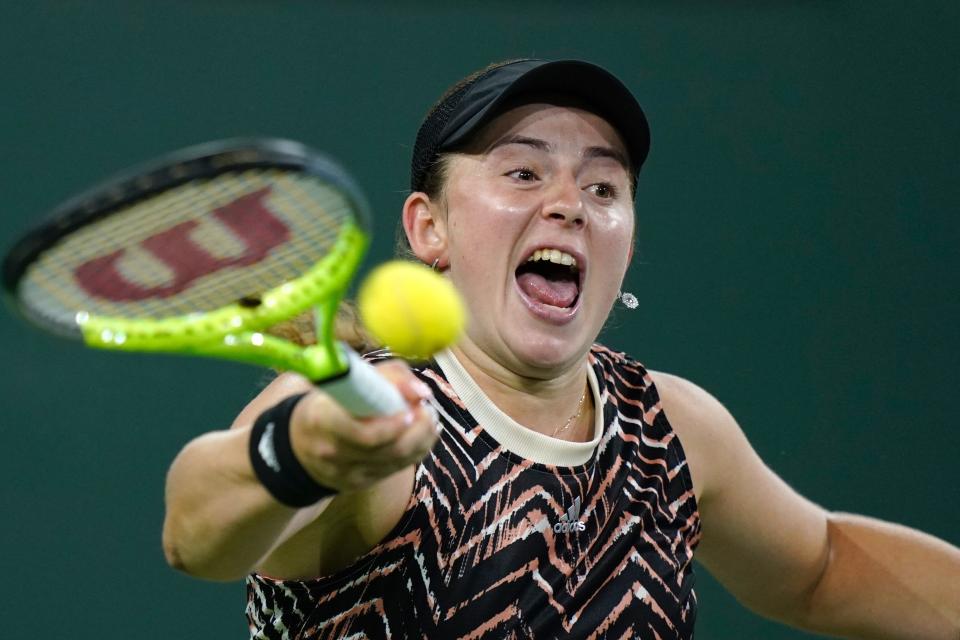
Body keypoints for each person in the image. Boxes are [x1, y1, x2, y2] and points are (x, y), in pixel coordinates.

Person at [162, 59, 960, 639]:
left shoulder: (667, 427)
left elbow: (820, 569)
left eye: (603, 188)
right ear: (427, 227)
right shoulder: (371, 416)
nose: (570, 205)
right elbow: (195, 535)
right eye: (522, 173)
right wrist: (301, 452)